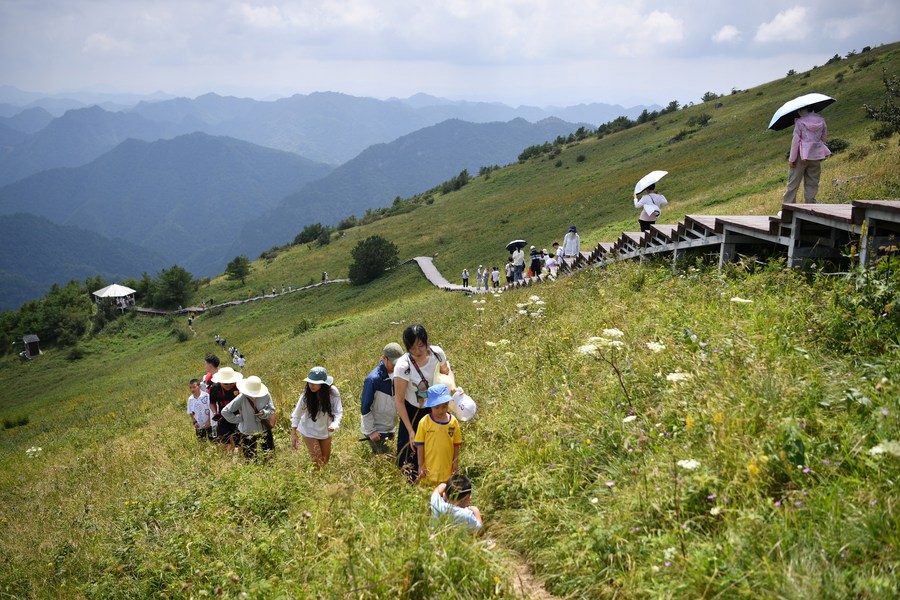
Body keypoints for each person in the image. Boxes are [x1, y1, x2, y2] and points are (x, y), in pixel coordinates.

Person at [393, 324, 457, 481]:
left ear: (427, 342)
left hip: (436, 407)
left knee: (436, 446)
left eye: (421, 346)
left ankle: (439, 479)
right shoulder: (403, 366)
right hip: (413, 411)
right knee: (409, 454)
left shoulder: (437, 353)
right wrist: (410, 431)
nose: (417, 351)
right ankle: (412, 485)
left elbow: (447, 372)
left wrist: (453, 387)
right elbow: (399, 401)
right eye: (412, 348)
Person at [291, 366, 343, 468]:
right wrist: (293, 433)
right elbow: (297, 414)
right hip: (309, 431)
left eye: (315, 383)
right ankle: (315, 477)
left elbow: (338, 412)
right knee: (318, 462)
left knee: (325, 461)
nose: (311, 385)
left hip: (325, 430)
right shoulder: (306, 395)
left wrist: (334, 424)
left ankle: (322, 478)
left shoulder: (333, 392)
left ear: (323, 383)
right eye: (310, 382)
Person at [414, 384, 462, 486]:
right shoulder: (424, 422)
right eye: (436, 407)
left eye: (444, 406)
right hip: (428, 472)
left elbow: (456, 445)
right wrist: (421, 465)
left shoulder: (453, 422)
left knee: (445, 493)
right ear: (431, 406)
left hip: (447, 472)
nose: (441, 410)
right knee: (427, 494)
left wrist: (455, 463)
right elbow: (420, 445)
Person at [360, 343, 403, 455]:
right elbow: (365, 407)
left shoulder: (399, 374)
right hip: (377, 430)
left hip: (390, 426)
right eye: (393, 363)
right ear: (384, 358)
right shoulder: (373, 380)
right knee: (385, 457)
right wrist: (371, 431)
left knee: (389, 456)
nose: (395, 366)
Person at [222, 375, 275, 460]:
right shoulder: (242, 397)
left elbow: (272, 410)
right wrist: (240, 419)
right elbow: (225, 411)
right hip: (247, 432)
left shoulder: (266, 395)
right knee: (250, 458)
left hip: (264, 429)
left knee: (269, 457)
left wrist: (264, 413)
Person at [784, 108, 831, 204]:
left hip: (800, 156)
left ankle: (789, 206)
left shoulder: (800, 122)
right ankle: (810, 205)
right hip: (816, 154)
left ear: (801, 111)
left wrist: (792, 159)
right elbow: (824, 138)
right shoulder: (821, 120)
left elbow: (795, 141)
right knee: (812, 182)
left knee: (793, 182)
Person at [208, 367, 242, 448]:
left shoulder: (239, 387)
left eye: (231, 383)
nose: (229, 385)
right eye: (226, 384)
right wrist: (215, 413)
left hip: (238, 417)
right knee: (225, 442)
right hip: (223, 418)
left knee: (239, 442)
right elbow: (212, 403)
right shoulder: (215, 388)